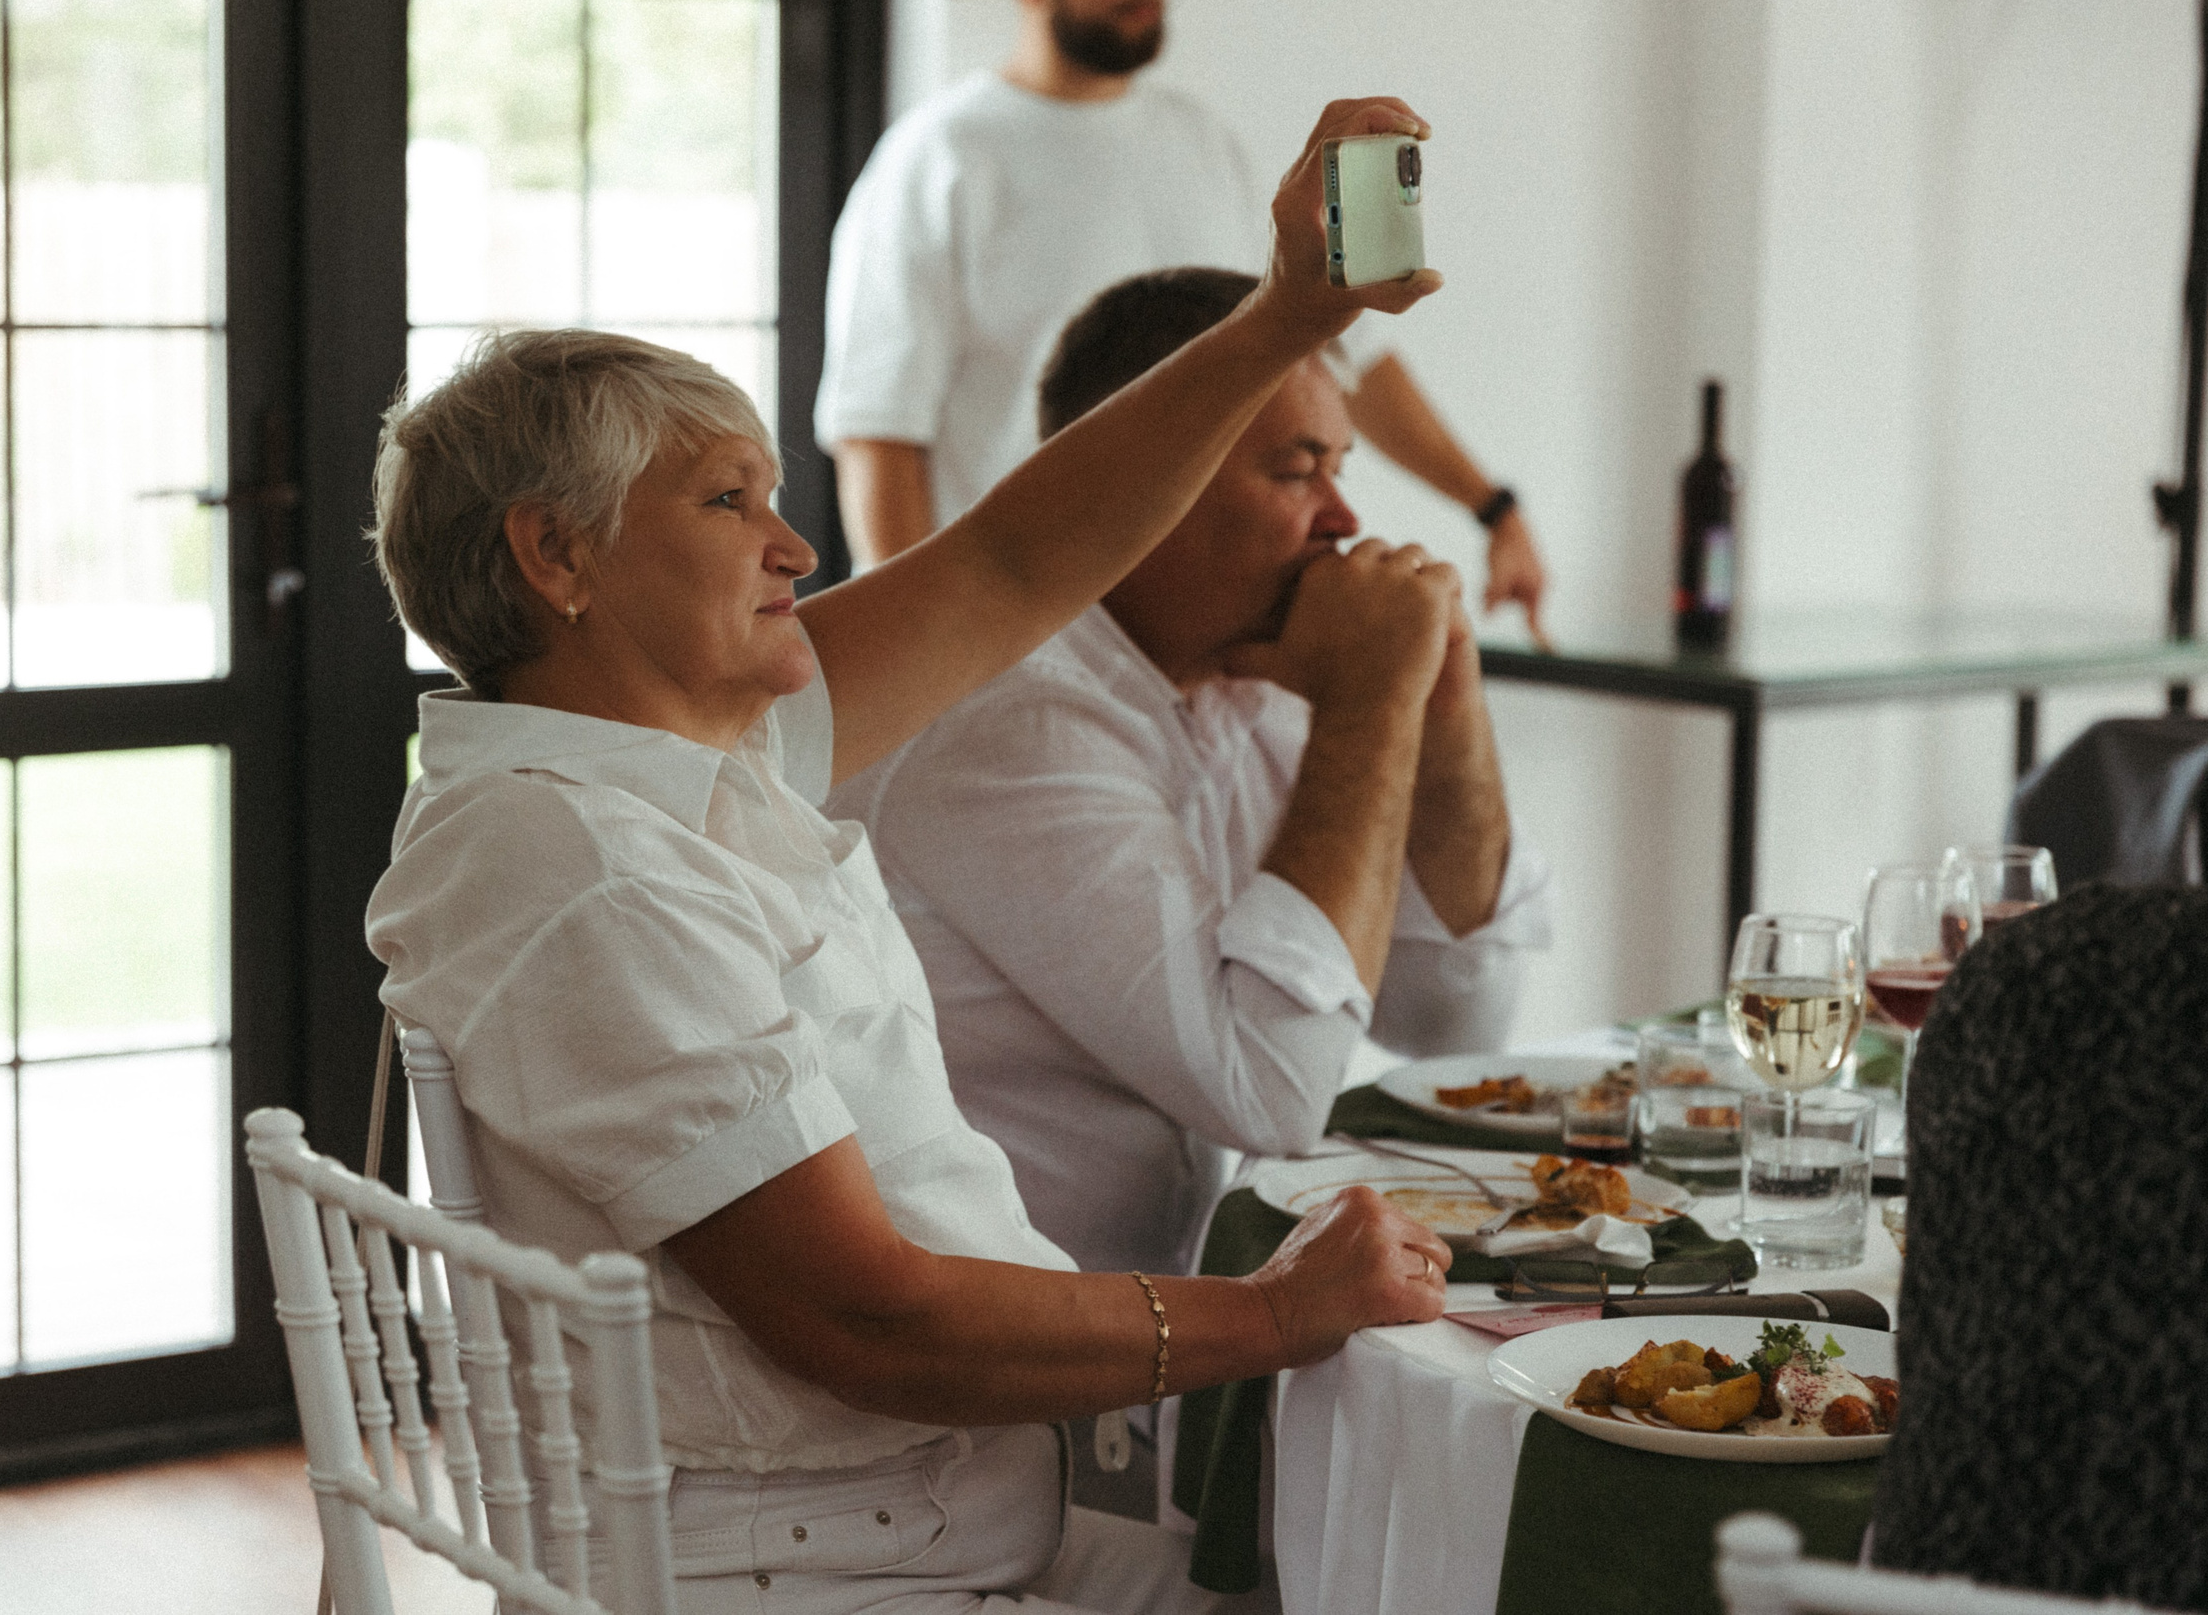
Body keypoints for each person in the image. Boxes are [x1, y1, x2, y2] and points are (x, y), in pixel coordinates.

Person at [366, 100, 1457, 1614]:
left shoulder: (679, 768)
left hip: (932, 1522)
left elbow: (1013, 560)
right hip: (818, 1572)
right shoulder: (590, 869)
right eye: (728, 500)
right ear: (558, 557)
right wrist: (1273, 1317)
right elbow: (868, 1322)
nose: (795, 546)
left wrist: (1288, 313)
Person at [831, 266, 1550, 1288]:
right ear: (1145, 480)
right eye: (1298, 472)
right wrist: (1369, 704)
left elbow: (1452, 1024)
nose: (1344, 518)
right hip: (996, 1351)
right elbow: (1272, 1091)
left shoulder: (1251, 678)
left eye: (1340, 468)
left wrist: (1446, 704)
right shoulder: (1011, 721)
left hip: (1161, 1318)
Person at [813, 0, 1550, 643]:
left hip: (1196, 639)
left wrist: (1493, 509)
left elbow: (1335, 352)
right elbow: (880, 437)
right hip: (1020, 640)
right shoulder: (937, 161)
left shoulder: (1201, 144)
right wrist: (925, 658)